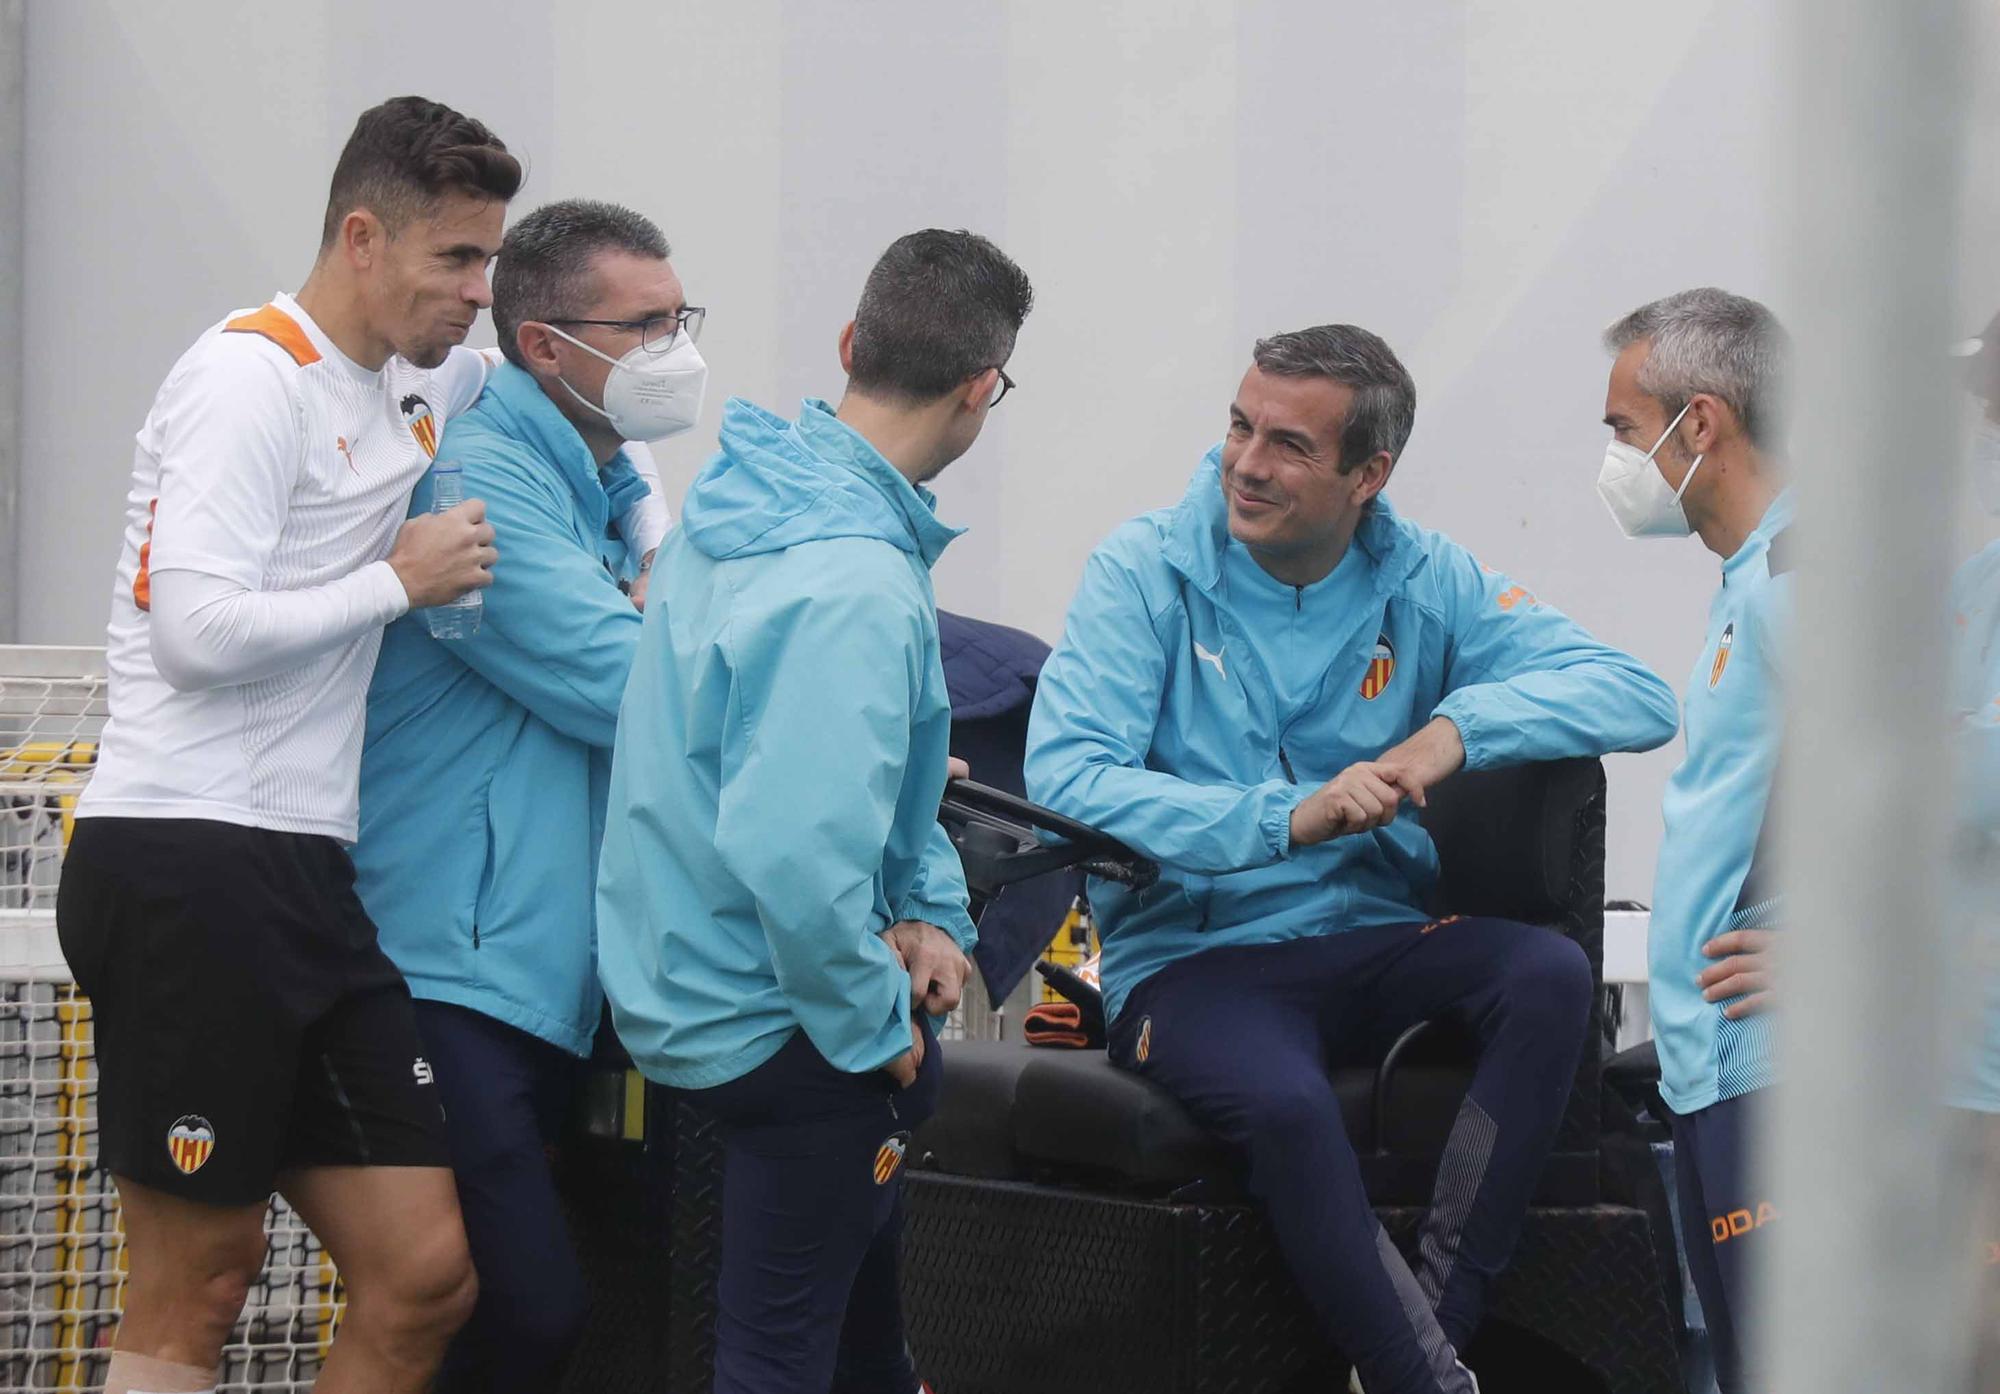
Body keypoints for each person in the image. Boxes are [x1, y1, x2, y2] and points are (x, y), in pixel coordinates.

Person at [1025, 323, 1680, 1394]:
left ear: (1365, 475)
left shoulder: (1423, 578)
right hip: (1190, 966)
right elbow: (1068, 785)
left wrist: (1451, 733)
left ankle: (1422, 1340)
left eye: (1287, 443)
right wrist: (1288, 817)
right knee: (1288, 1107)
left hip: (1367, 939)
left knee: (1548, 971)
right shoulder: (1142, 568)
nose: (1244, 462)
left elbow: (1635, 694)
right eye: (1239, 426)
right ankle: (1426, 1376)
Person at [54, 97, 520, 1394]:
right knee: (200, 1283)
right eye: (456, 261)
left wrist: (645, 528)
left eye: (489, 259)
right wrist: (398, 582)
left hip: (313, 878)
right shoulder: (244, 374)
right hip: (188, 859)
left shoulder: (418, 371)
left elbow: (550, 374)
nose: (478, 295)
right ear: (362, 239)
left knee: (426, 1277)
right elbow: (194, 632)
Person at [596, 228, 1031, 1394]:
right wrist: (874, 1030)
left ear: (850, 343)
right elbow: (793, 847)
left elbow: (879, 795)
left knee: (862, 1353)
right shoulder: (855, 579)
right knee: (781, 1363)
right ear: (981, 388)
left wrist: (932, 914)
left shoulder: (733, 514)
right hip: (790, 1025)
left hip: (699, 987)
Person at [351, 197, 703, 1393]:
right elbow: (624, 686)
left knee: (538, 1317)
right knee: (519, 1309)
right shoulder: (476, 484)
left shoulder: (602, 486)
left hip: (552, 978)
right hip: (449, 970)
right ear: (545, 344)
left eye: (679, 317)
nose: (675, 350)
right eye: (644, 325)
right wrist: (666, 621)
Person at [1596, 288, 1792, 1392]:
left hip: (1785, 1072)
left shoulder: (1806, 580)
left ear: (1699, 422)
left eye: (1623, 430)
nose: (1615, 461)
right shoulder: (1749, 581)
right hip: (1713, 1069)